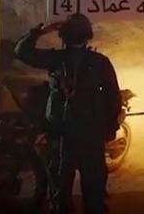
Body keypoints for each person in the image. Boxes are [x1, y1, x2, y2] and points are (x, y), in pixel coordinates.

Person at [14, 14, 121, 214]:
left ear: (63, 36)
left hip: (61, 136)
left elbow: (21, 51)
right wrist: (109, 129)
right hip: (89, 136)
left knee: (60, 194)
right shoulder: (100, 62)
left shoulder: (54, 59)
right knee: (94, 195)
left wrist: (41, 32)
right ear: (88, 36)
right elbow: (114, 99)